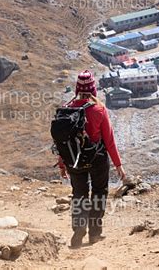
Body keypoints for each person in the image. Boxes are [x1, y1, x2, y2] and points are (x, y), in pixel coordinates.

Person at [57, 70, 126, 248]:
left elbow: (62, 141)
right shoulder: (99, 109)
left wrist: (62, 164)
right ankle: (95, 233)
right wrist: (118, 165)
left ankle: (78, 231)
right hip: (98, 158)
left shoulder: (66, 110)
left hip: (74, 159)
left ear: (77, 89)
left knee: (79, 194)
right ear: (93, 89)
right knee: (99, 192)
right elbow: (109, 140)